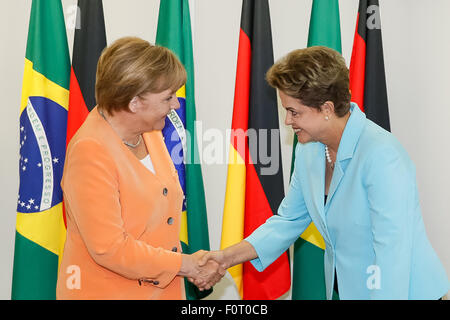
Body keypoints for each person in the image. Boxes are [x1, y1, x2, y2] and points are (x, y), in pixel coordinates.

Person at [198, 46, 449, 300]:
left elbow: (392, 253)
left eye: (294, 112)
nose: (287, 121)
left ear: (327, 109)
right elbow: (288, 221)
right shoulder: (309, 151)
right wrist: (225, 257)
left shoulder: (382, 155)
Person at [56, 37, 223, 300]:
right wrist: (185, 265)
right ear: (134, 103)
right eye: (168, 98)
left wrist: (188, 267)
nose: (176, 106)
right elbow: (109, 248)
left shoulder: (149, 132)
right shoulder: (90, 150)